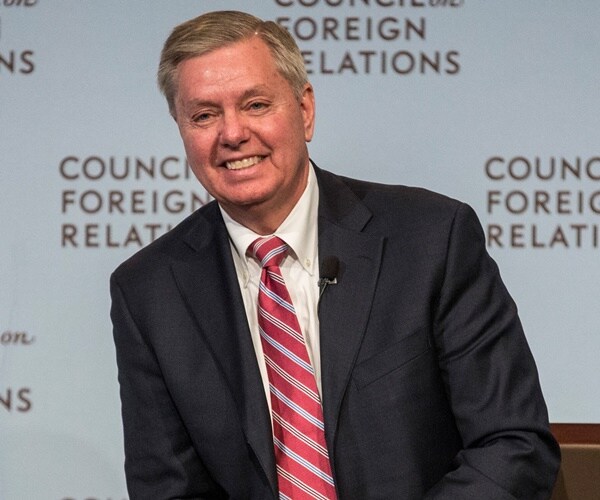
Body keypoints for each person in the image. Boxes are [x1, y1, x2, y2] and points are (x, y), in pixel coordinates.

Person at [110, 10, 560, 499]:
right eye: (204, 115)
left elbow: (512, 443)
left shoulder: (430, 239)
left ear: (305, 111)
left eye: (256, 104)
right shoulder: (150, 291)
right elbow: (168, 489)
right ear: (180, 128)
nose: (232, 133)